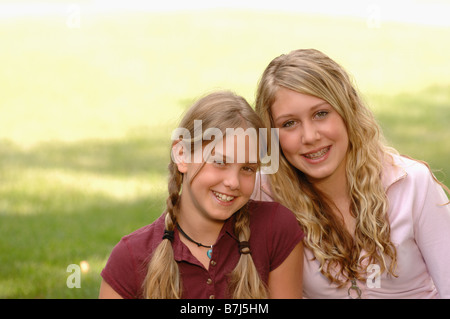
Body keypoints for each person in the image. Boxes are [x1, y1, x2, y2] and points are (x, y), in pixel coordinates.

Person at [252, 48, 450, 298]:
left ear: (347, 110)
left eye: (321, 114)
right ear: (271, 135)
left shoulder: (411, 184)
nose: (310, 136)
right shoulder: (264, 196)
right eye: (289, 123)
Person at [99, 91, 304, 299]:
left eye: (248, 168)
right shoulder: (130, 258)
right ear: (182, 154)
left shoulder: (275, 229)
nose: (233, 182)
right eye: (220, 162)